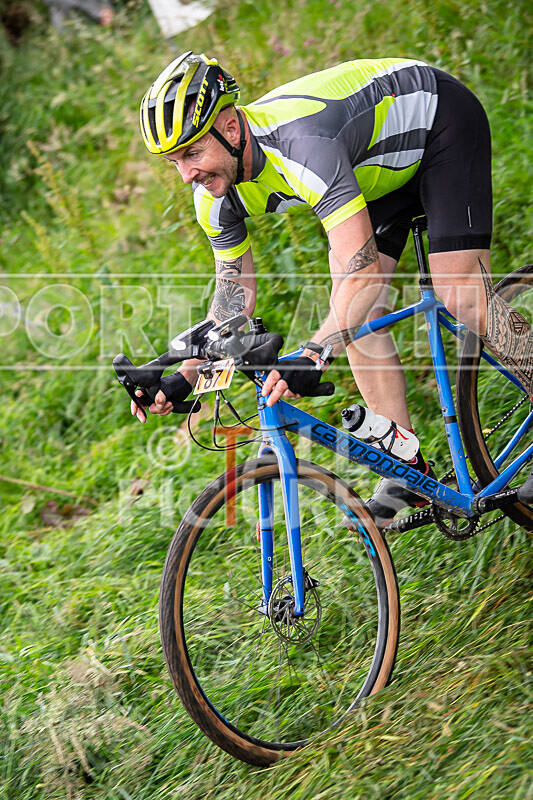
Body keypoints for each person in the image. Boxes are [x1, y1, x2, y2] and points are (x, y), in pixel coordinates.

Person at [134, 51, 532, 526]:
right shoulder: (214, 196)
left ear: (231, 129)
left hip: (437, 124)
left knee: (460, 292)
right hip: (373, 172)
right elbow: (231, 304)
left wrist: (314, 353)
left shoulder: (302, 145)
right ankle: (408, 469)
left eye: (192, 154)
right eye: (174, 161)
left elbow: (360, 275)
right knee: (350, 312)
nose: (186, 175)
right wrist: (187, 377)